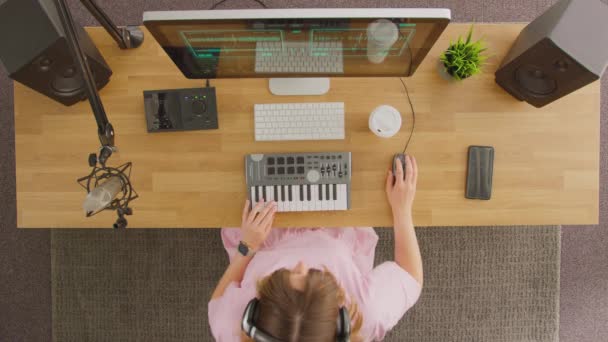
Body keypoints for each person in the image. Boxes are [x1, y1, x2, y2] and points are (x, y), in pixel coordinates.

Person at [209, 155, 423, 342]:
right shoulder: (366, 313)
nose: (301, 264)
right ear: (342, 321)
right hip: (336, 227)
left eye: (284, 275)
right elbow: (410, 277)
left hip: (261, 235)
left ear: (253, 313)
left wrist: (247, 246)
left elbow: (218, 299)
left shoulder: (231, 326)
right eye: (314, 273)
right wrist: (402, 210)